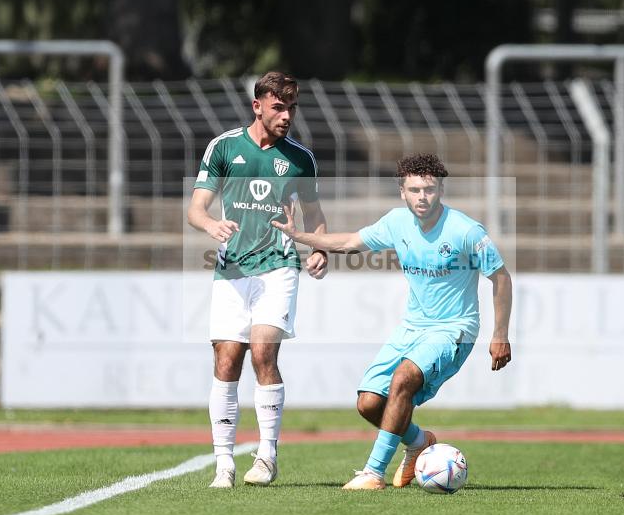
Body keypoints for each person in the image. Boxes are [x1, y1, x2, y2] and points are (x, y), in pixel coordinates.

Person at [271, 153, 512, 490]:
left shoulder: (466, 231)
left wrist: (500, 334)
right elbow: (349, 242)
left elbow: (501, 278)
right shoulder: (396, 222)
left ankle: (373, 474)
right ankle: (419, 442)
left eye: (429, 189)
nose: (422, 197)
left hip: (454, 329)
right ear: (402, 192)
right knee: (369, 403)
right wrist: (300, 235)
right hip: (412, 328)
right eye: (414, 190)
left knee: (403, 378)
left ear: (441, 190)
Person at [187, 71, 328, 488]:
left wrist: (319, 248)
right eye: (278, 107)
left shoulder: (300, 159)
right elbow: (196, 209)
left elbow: (314, 214)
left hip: (278, 265)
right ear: (257, 106)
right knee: (227, 359)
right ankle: (224, 464)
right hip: (231, 269)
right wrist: (211, 225)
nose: (287, 116)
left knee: (264, 353)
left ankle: (267, 456)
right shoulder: (224, 147)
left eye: (292, 108)